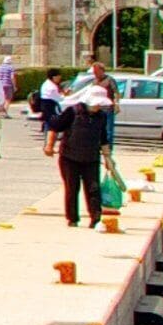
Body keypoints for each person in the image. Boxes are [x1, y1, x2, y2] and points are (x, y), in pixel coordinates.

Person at [52, 60, 117, 227]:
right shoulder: (73, 112)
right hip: (69, 157)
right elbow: (56, 126)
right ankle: (72, 218)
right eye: (96, 104)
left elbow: (103, 137)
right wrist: (49, 145)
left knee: (93, 189)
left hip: (91, 158)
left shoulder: (101, 116)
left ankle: (95, 218)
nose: (98, 107)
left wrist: (108, 158)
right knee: (72, 188)